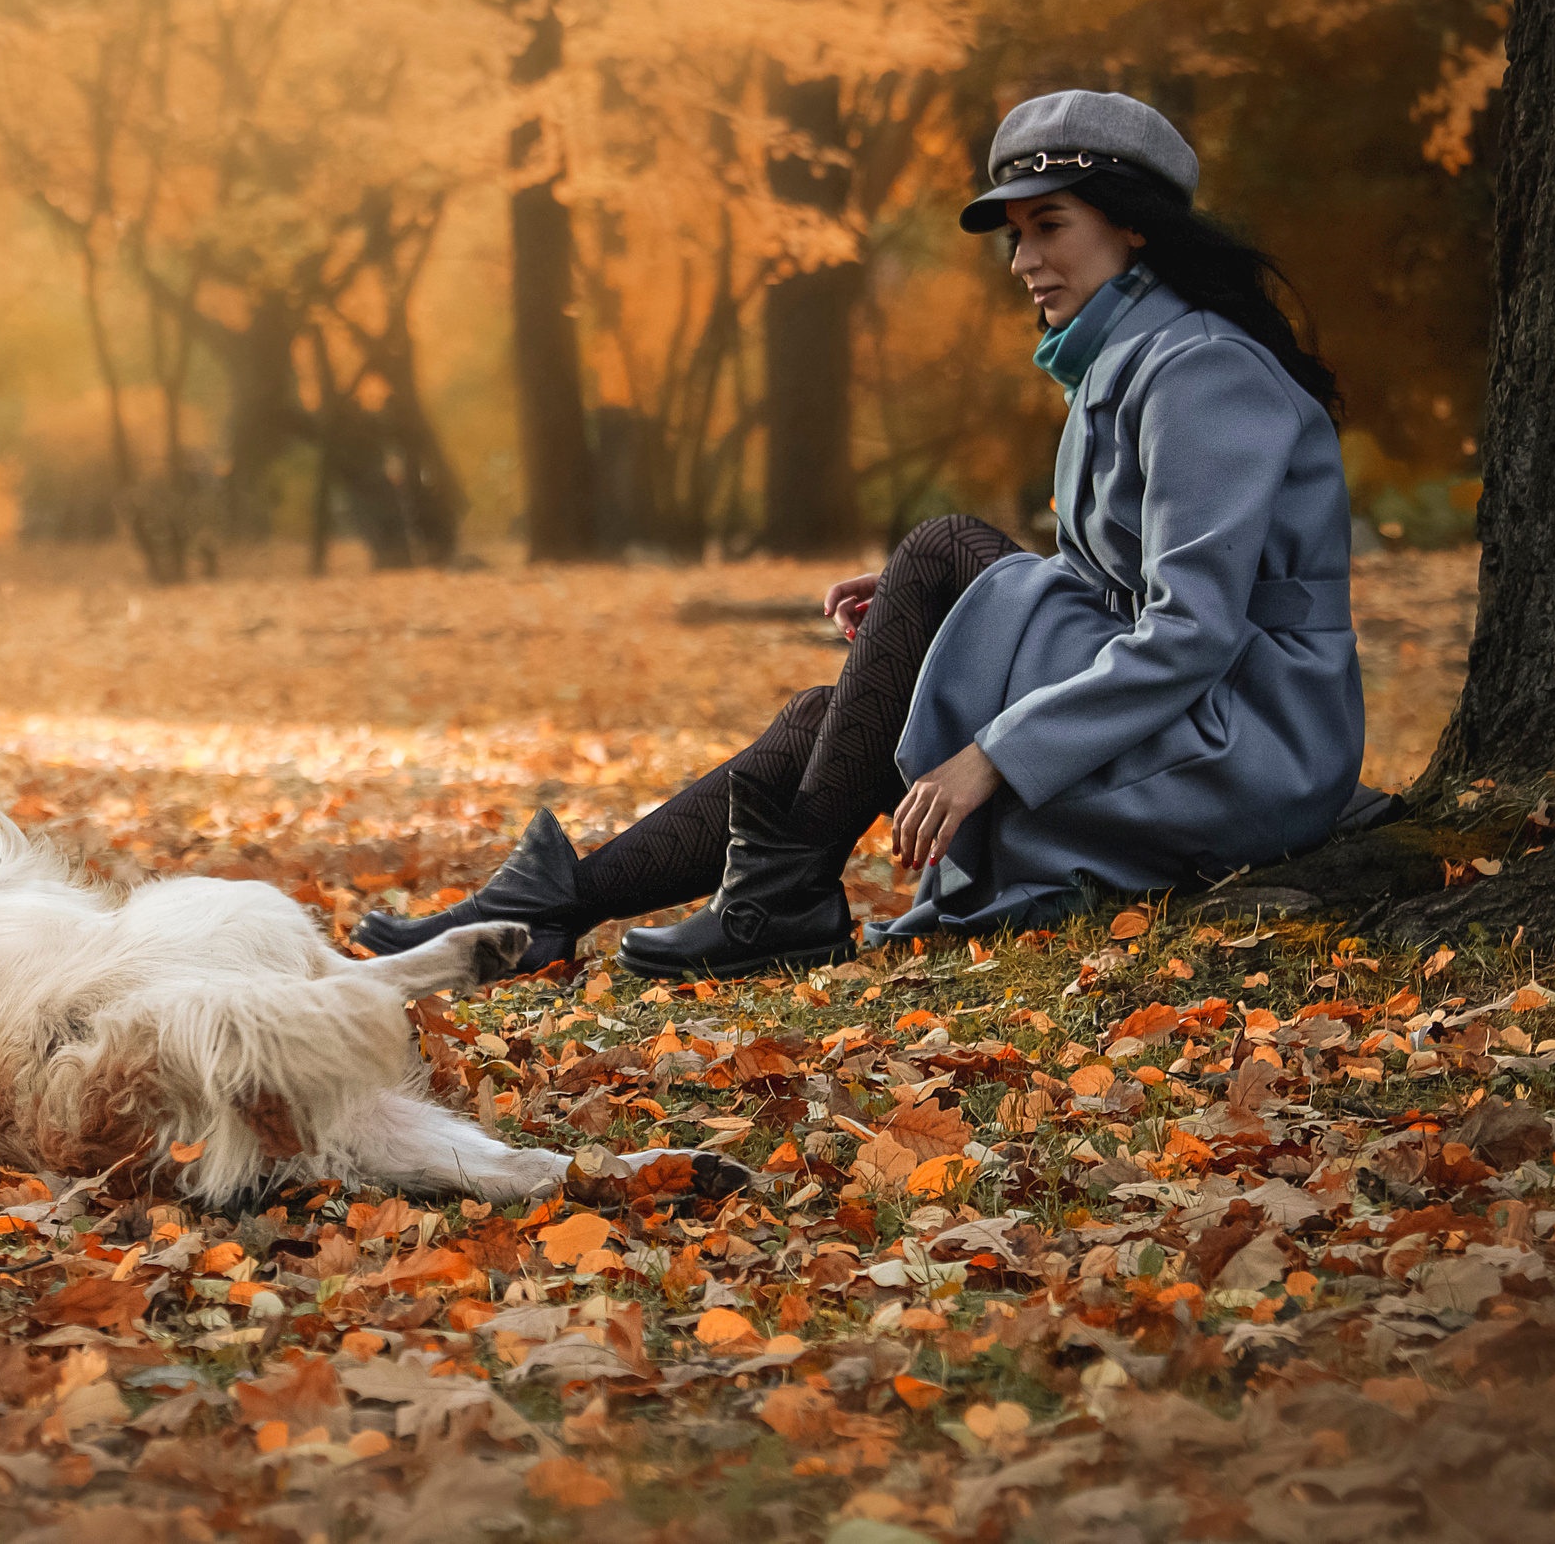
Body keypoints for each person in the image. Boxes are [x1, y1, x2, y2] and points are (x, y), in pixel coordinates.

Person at [355, 89, 1365, 980]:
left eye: (1047, 226)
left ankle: (709, 902)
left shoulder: (1199, 371)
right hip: (1186, 711)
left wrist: (990, 757)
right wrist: (931, 627)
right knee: (839, 704)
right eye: (1013, 235)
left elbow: (1189, 629)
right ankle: (557, 906)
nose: (1022, 261)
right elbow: (1107, 583)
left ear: (1133, 228)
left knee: (937, 554)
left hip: (1247, 745)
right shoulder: (1133, 359)